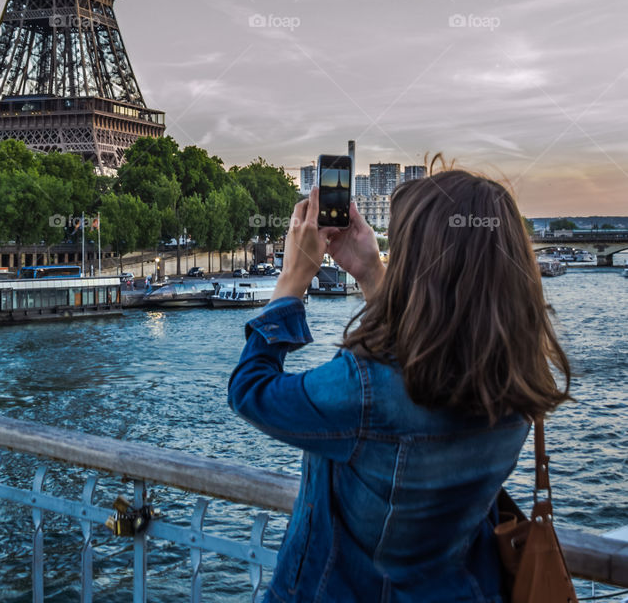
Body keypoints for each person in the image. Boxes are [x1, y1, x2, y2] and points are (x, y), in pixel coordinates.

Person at [228, 161, 571, 602]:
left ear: (423, 266)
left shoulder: (367, 387)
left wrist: (292, 281)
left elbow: (252, 390)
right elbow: (430, 348)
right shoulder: (516, 382)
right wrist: (372, 274)